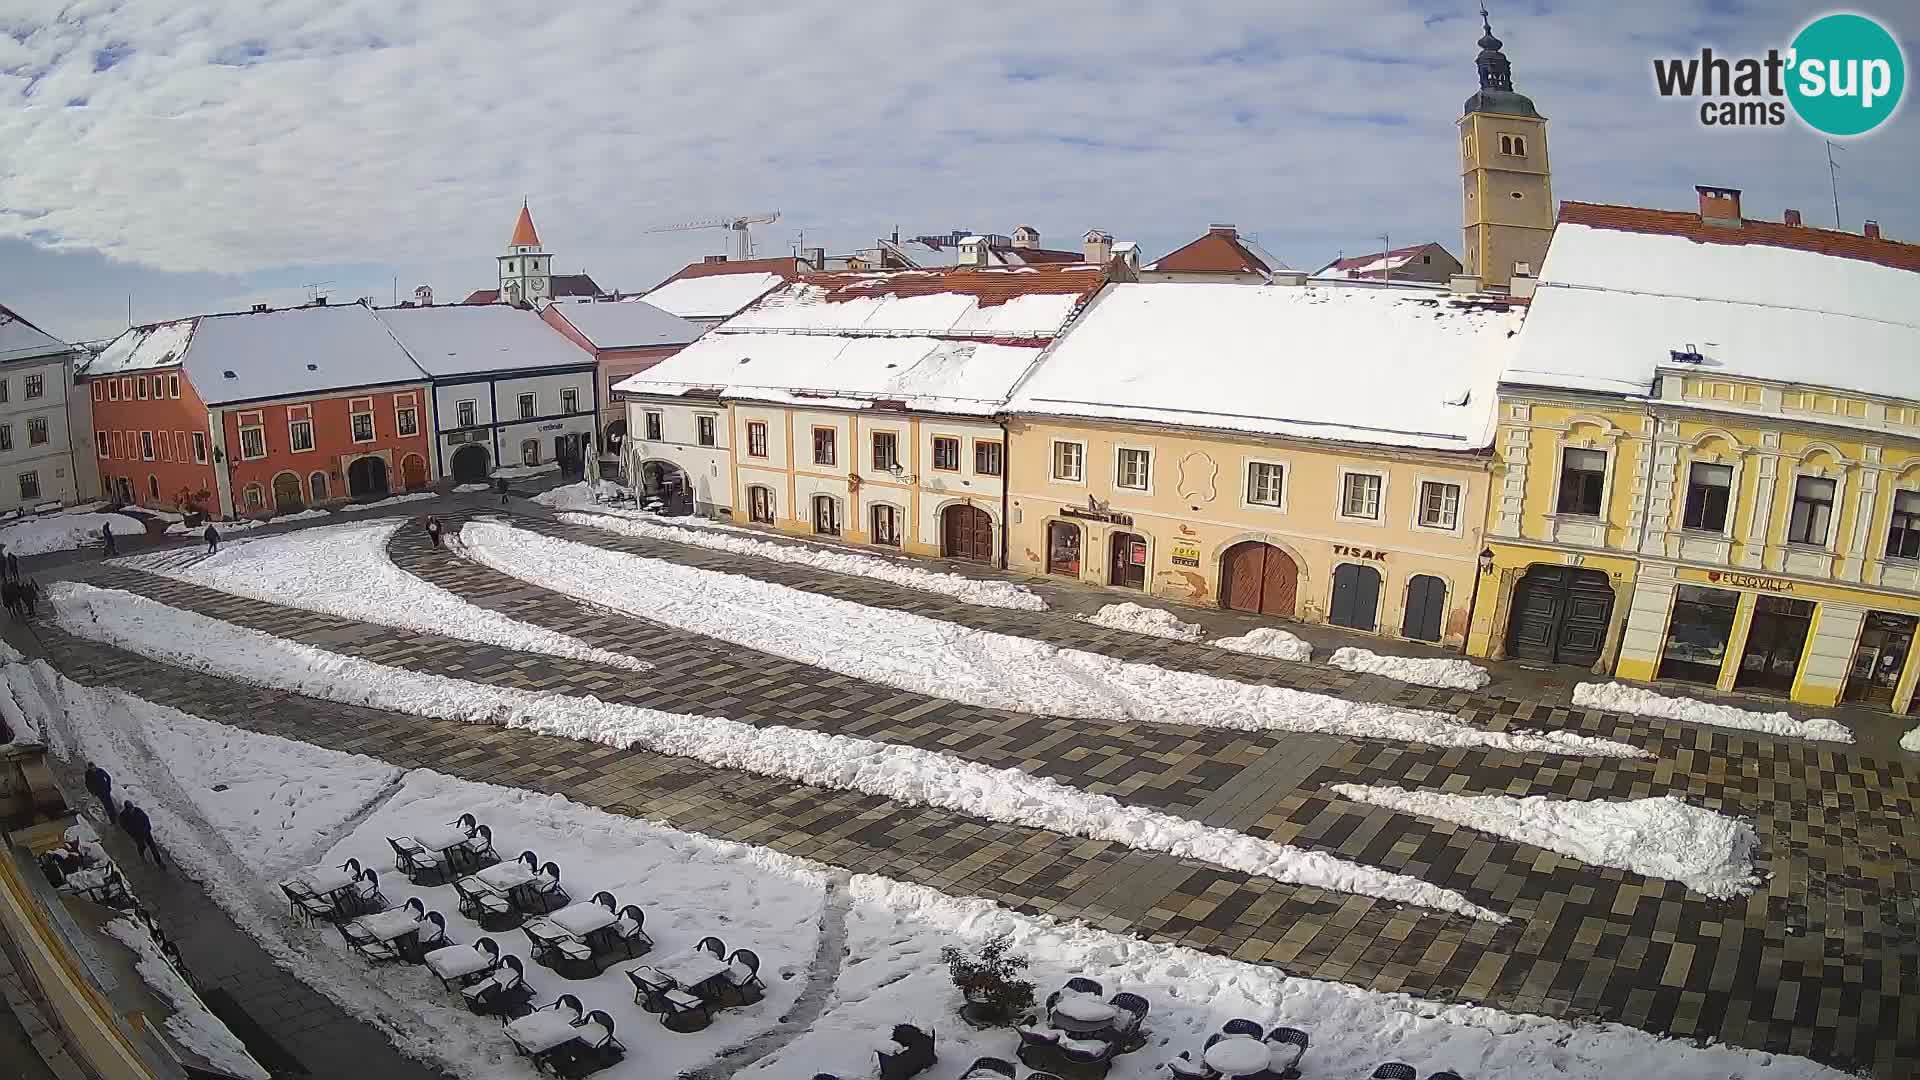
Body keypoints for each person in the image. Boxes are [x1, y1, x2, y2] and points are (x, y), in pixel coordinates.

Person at [121, 800, 162, 870]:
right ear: (127, 809)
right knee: (141, 846)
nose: (132, 809)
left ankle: (159, 862)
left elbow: (146, 818)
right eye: (130, 808)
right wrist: (133, 834)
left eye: (132, 808)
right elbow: (124, 826)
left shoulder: (138, 810)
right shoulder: (123, 816)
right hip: (137, 835)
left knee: (153, 847)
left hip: (146, 832)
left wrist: (148, 828)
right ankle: (142, 855)